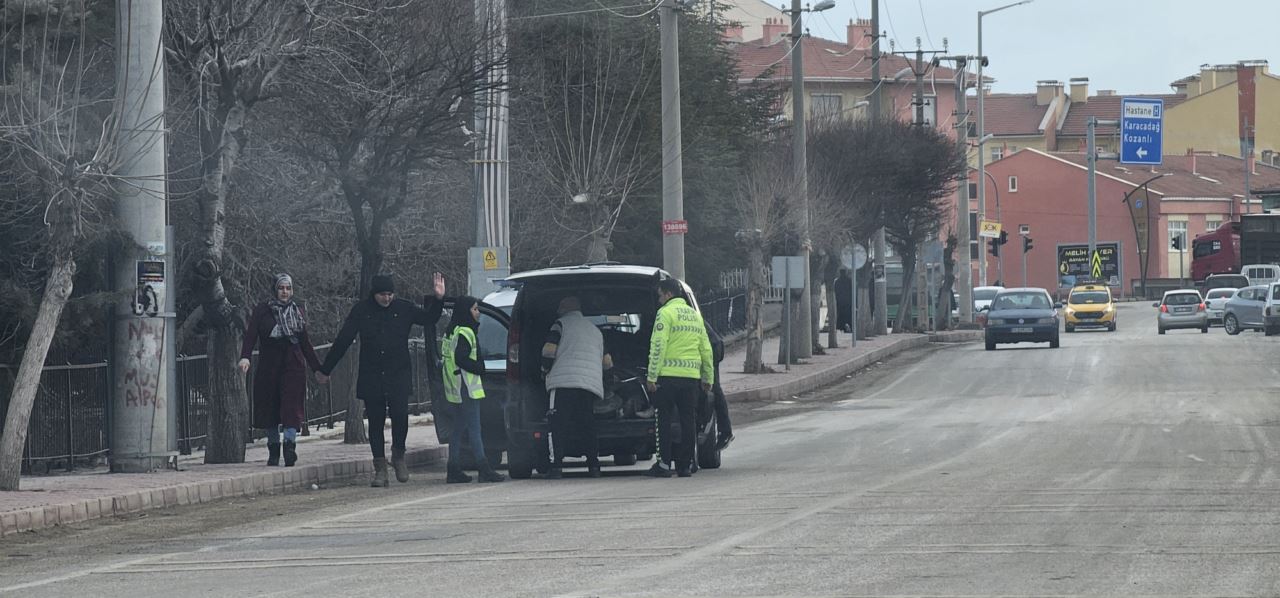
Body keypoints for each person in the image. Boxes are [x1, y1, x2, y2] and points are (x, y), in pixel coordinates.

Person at [317, 272, 445, 488]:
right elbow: (344, 339)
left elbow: (429, 319)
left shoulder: (403, 308)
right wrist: (325, 369)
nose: (387, 298)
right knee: (375, 422)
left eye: (390, 294)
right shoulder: (362, 311)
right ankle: (380, 468)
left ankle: (398, 455)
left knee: (400, 416)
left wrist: (438, 299)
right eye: (383, 295)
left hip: (398, 373)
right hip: (372, 373)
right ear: (374, 294)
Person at [239, 273, 322, 467]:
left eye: (288, 288)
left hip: (293, 364)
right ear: (275, 290)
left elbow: (305, 343)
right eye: (281, 288)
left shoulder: (297, 311)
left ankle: (290, 446)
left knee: (291, 406)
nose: (284, 292)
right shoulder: (263, 311)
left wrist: (318, 369)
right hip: (269, 364)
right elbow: (251, 335)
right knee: (270, 407)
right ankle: (273, 449)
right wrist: (245, 357)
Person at [644, 278, 714, 478]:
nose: (658, 300)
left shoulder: (665, 314)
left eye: (660, 295)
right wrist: (707, 377)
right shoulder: (694, 316)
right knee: (688, 421)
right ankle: (685, 465)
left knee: (663, 420)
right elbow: (706, 349)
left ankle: (664, 464)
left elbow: (658, 345)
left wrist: (651, 376)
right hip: (691, 378)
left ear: (668, 294)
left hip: (667, 377)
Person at [541, 296, 613, 479]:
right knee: (587, 426)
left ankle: (556, 466)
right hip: (588, 386)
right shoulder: (595, 331)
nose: (557, 310)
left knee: (556, 425)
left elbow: (549, 351)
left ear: (565, 308)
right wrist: (608, 383)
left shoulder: (559, 325)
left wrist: (544, 370)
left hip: (562, 383)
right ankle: (594, 466)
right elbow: (607, 362)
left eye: (560, 306)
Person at [441, 296, 505, 484]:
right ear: (466, 311)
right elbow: (461, 358)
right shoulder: (466, 332)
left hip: (455, 387)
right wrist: (480, 368)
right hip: (467, 388)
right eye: (475, 309)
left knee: (458, 428)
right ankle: (484, 468)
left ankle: (453, 468)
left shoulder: (451, 331)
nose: (478, 313)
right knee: (475, 429)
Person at [702, 317, 733, 453]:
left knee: (715, 391)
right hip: (709, 354)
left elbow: (714, 346)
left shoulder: (694, 319)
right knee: (715, 392)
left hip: (709, 356)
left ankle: (725, 432)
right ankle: (725, 431)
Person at [834, 268, 853, 333]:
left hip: (840, 302)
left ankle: (842, 327)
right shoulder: (849, 280)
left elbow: (836, 291)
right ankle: (849, 327)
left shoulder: (837, 281)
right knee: (848, 315)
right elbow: (851, 291)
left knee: (841, 316)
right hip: (848, 302)